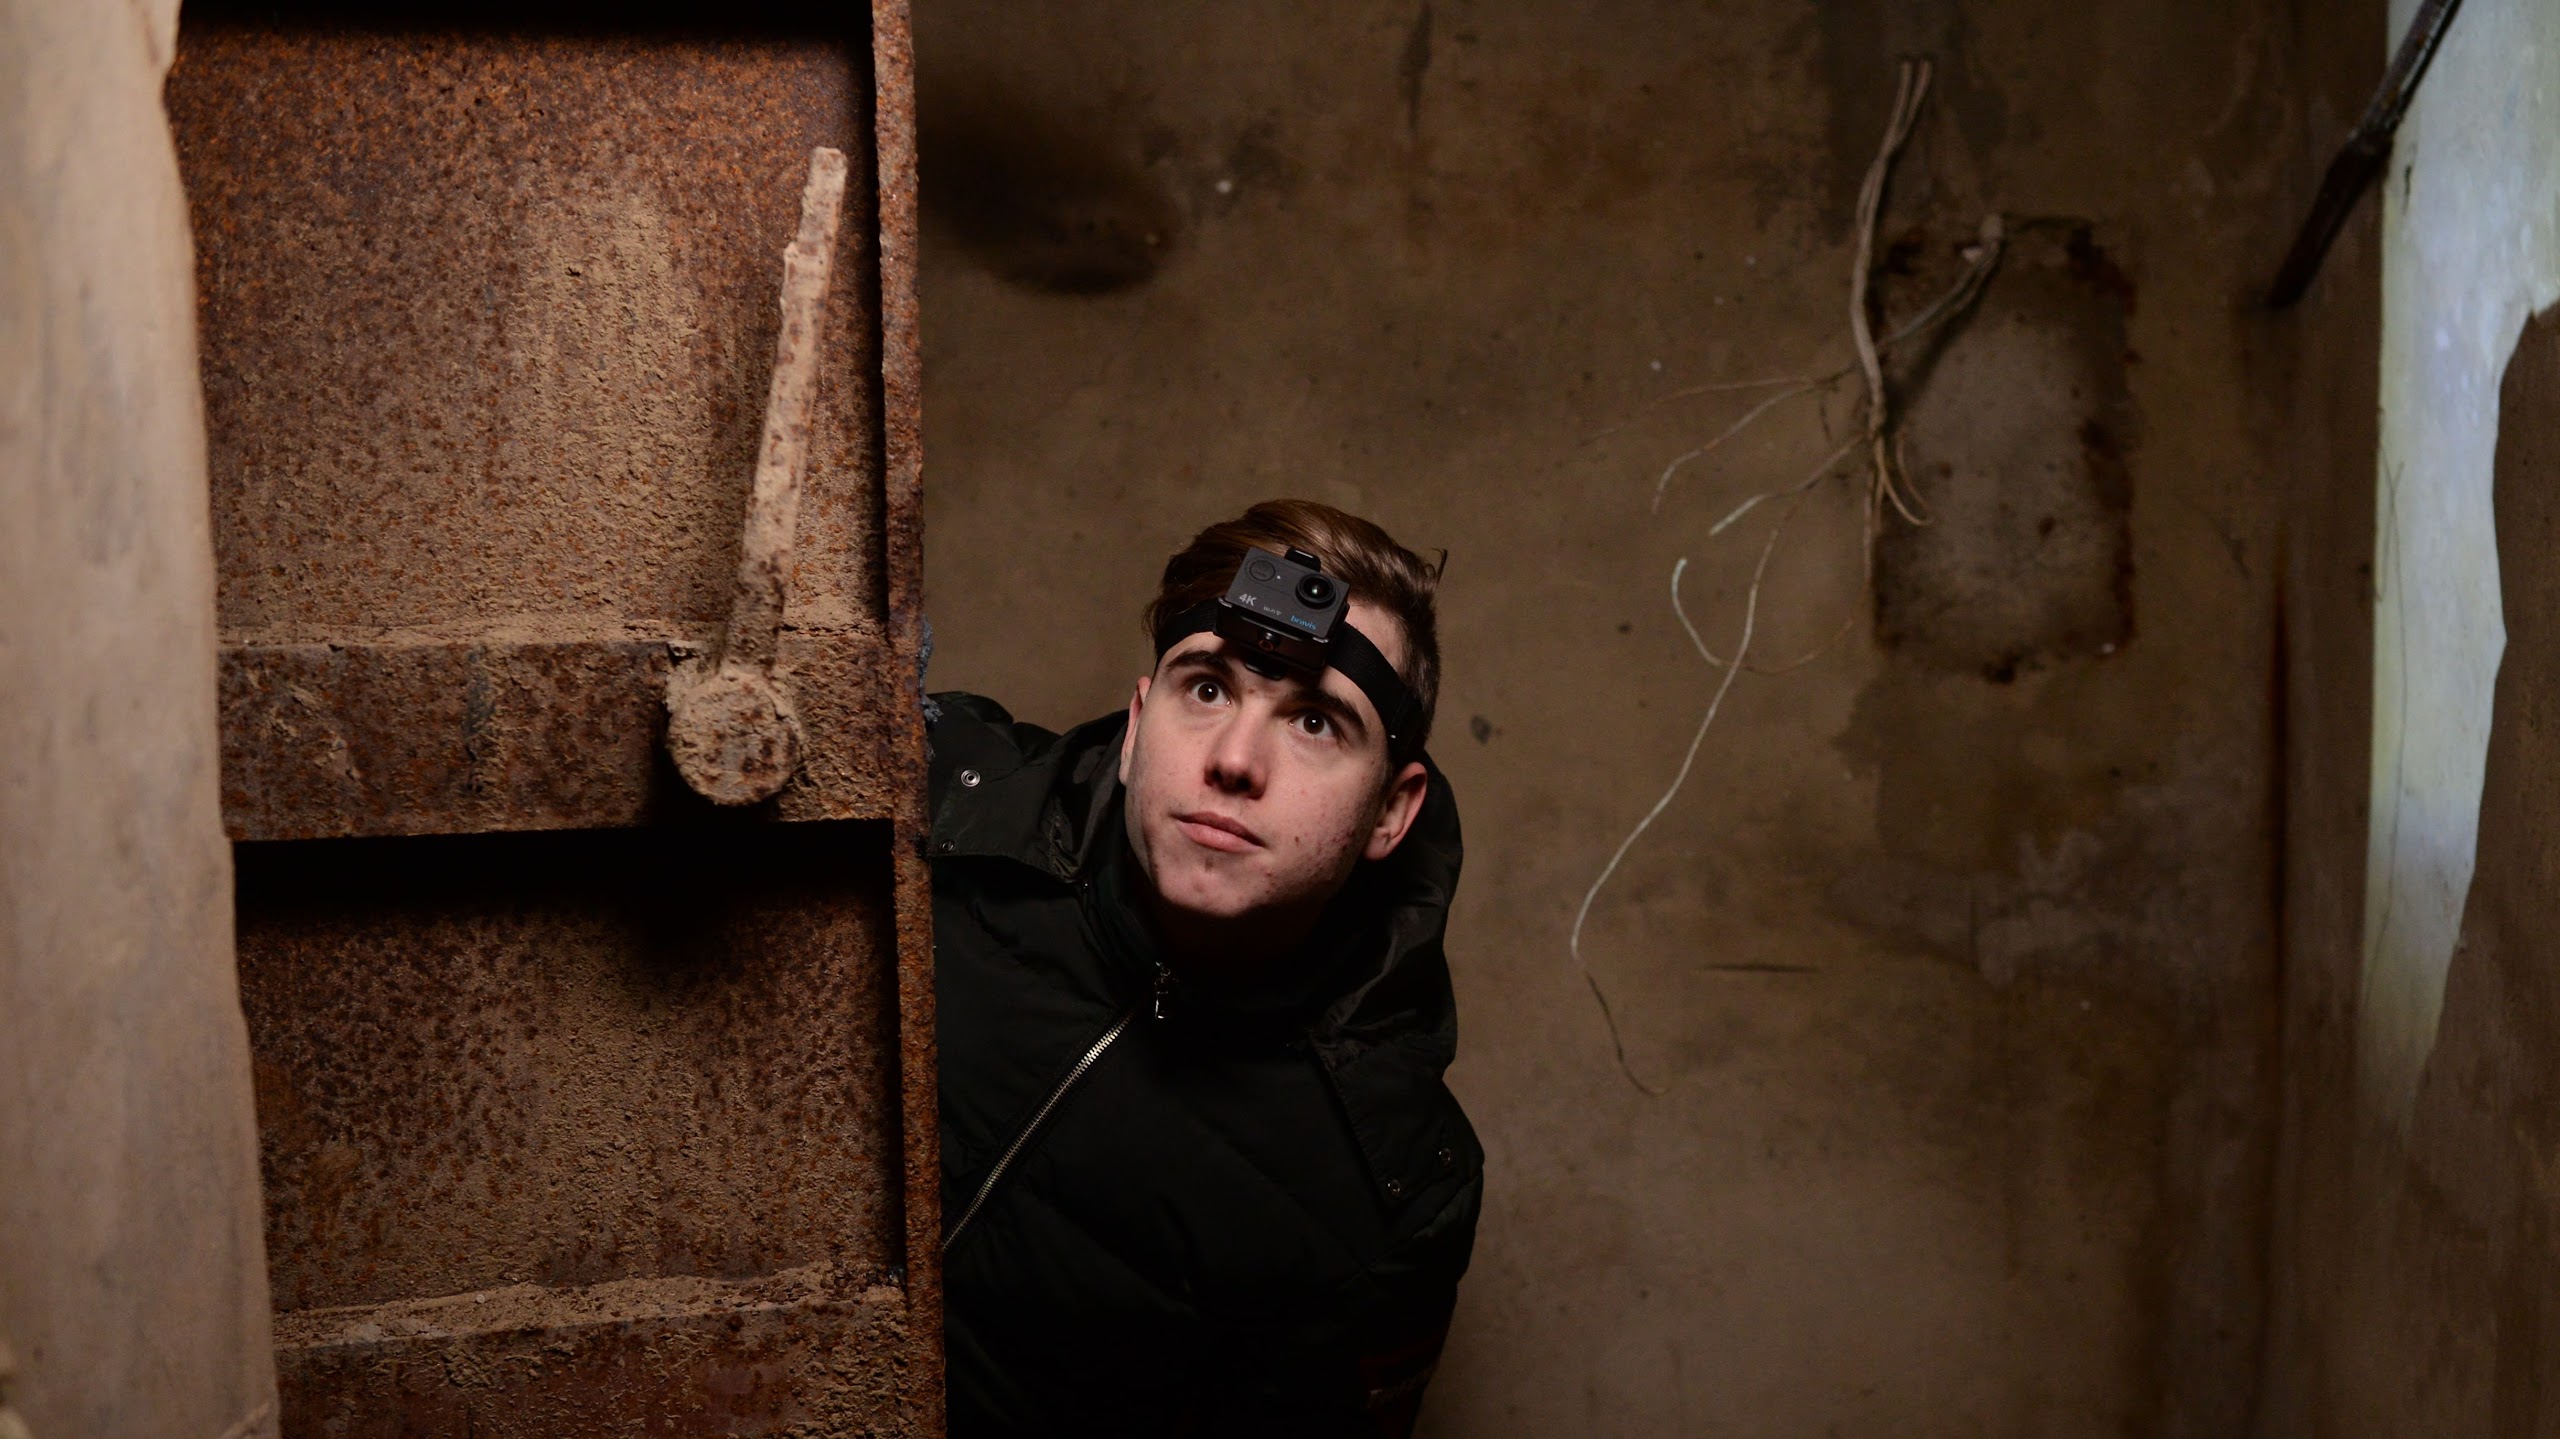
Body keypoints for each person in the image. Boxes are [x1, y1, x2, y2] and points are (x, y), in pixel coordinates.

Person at [927, 499, 1483, 1437]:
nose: (1234, 760)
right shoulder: (941, 801)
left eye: (1316, 721)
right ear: (1138, 724)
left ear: (1392, 810)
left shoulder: (1394, 1194)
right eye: (1210, 689)